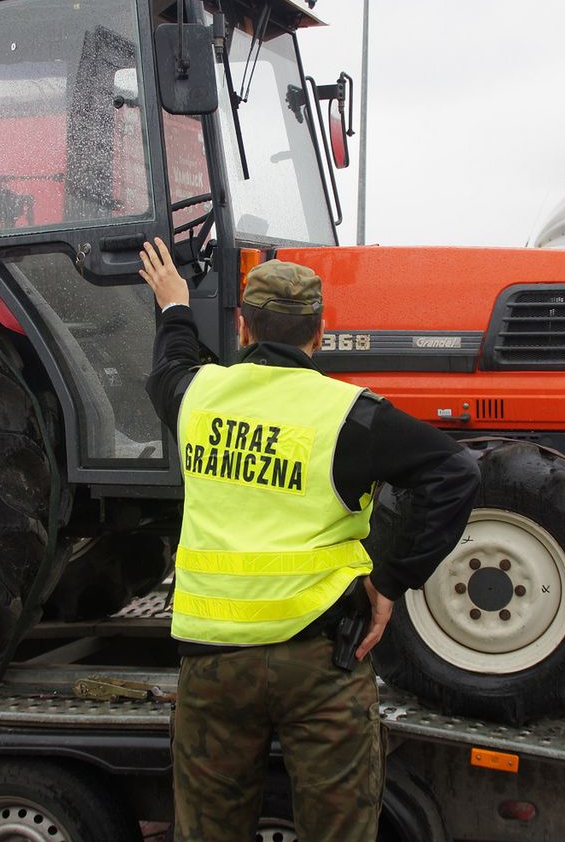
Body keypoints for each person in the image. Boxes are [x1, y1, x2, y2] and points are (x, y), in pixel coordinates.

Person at [138, 237, 480, 842]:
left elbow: (171, 361)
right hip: (322, 657)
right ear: (320, 333)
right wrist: (392, 581)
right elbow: (455, 472)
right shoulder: (352, 414)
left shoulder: (197, 397)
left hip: (213, 664)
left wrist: (174, 305)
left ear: (244, 328)